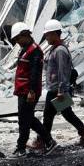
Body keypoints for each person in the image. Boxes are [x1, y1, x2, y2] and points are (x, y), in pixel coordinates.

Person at [39, 21, 84, 148]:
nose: (46, 37)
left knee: (55, 115)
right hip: (55, 88)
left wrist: (61, 91)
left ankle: (43, 141)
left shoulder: (60, 51)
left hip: (58, 89)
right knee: (58, 114)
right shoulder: (55, 49)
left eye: (47, 35)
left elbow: (62, 71)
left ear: (54, 34)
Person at [10, 21, 53, 156]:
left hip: (28, 91)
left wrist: (32, 91)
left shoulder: (35, 51)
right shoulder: (26, 49)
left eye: (18, 39)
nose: (17, 42)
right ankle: (48, 141)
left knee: (24, 120)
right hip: (23, 90)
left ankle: (21, 147)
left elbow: (34, 73)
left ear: (25, 35)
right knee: (27, 119)